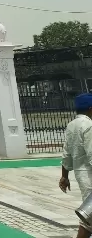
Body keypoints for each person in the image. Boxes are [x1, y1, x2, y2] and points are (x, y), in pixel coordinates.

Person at [60, 93, 92, 238]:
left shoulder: (72, 125)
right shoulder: (89, 125)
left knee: (88, 218)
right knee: (88, 219)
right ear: (91, 109)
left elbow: (66, 154)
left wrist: (64, 177)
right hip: (90, 175)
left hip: (81, 176)